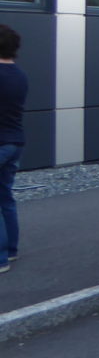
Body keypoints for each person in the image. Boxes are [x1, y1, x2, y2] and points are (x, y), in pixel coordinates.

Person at [0, 24, 27, 274]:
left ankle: (1, 259)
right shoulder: (19, 75)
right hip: (14, 141)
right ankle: (10, 249)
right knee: (5, 197)